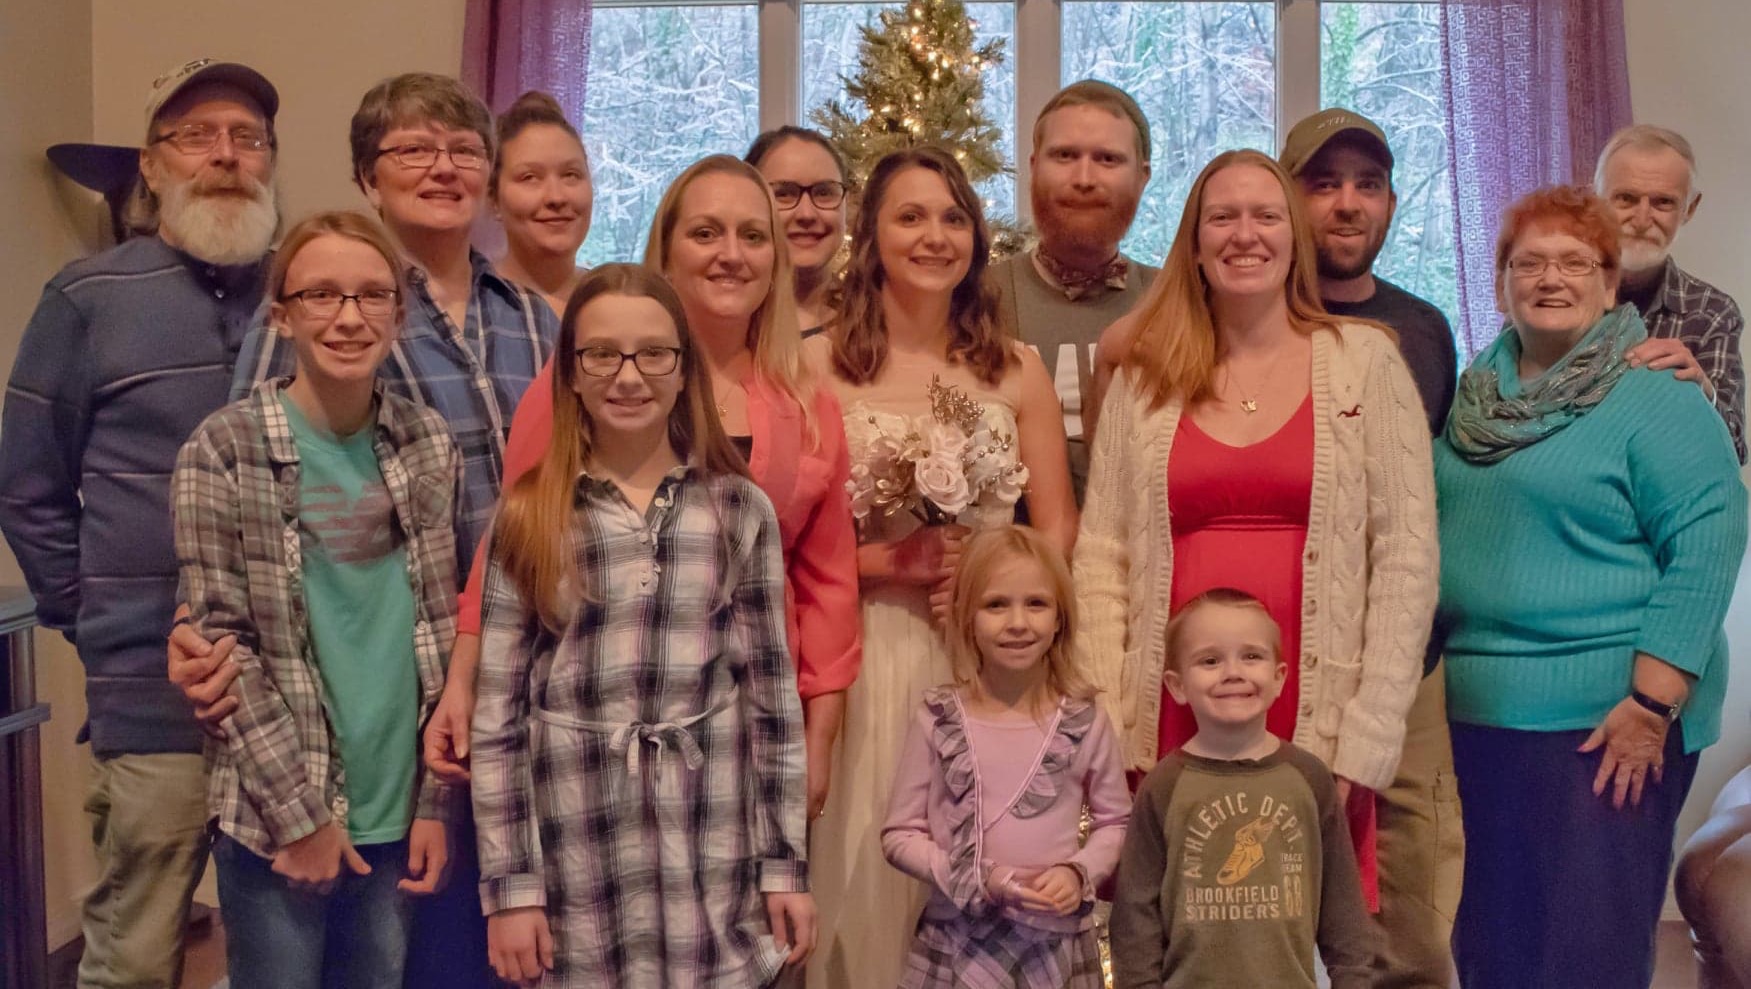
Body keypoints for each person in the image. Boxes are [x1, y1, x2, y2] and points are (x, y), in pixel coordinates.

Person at [176, 71, 558, 988]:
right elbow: (247, 558)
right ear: (367, 175)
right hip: (314, 748)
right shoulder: (293, 346)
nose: (443, 167)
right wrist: (194, 632)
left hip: (483, 707)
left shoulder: (531, 321)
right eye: (414, 149)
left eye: (463, 150)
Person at [427, 154, 860, 824]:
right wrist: (463, 678)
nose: (731, 254)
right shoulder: (590, 376)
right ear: (668, 247)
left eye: (752, 236)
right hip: (592, 716)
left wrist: (820, 737)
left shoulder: (807, 403)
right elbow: (514, 538)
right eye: (706, 233)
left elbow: (827, 585)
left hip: (743, 722)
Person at [1078, 149, 1439, 912]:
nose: (1244, 234)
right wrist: (1107, 718)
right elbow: (1101, 555)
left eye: (1265, 215)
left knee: (1296, 935)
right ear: (1194, 243)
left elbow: (1406, 556)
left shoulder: (1366, 362)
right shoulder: (1144, 374)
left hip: (1319, 706)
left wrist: (1367, 733)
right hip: (1169, 708)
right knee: (1173, 930)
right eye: (1222, 217)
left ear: (1293, 238)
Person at [0, 57, 279, 989]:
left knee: (285, 952)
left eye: (247, 138)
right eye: (196, 136)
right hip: (152, 699)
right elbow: (28, 486)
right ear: (153, 167)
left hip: (299, 698)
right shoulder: (86, 299)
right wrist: (97, 623)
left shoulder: (311, 295)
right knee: (137, 948)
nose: (225, 155)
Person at [1434, 184, 1746, 988]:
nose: (1550, 278)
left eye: (1575, 262)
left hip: (1608, 722)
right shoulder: (1472, 399)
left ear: (1610, 286)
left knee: (1585, 953)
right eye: (1527, 262)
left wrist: (1650, 705)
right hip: (1478, 715)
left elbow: (1709, 540)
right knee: (1491, 947)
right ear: (1499, 282)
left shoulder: (1655, 396)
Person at [472, 263, 814, 987]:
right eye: (601, 354)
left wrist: (783, 865)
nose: (628, 376)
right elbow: (498, 716)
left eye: (653, 353)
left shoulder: (737, 509)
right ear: (570, 372)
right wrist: (511, 888)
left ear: (684, 368)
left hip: (710, 846)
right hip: (579, 850)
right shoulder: (529, 515)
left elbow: (772, 704)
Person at [807, 146, 1075, 989]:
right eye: (910, 216)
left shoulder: (1015, 368)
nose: (934, 236)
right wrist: (889, 561)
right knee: (871, 870)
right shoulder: (814, 366)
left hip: (987, 660)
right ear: (870, 235)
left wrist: (998, 587)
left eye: (953, 217)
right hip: (867, 654)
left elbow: (1055, 526)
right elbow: (784, 541)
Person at [172, 211, 460, 987]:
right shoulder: (222, 448)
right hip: (277, 814)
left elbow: (443, 638)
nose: (348, 316)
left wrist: (436, 805)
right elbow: (224, 647)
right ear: (282, 314)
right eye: (322, 295)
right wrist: (300, 818)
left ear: (398, 315)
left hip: (397, 806)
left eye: (371, 295)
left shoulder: (427, 443)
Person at [1280, 107, 1461, 987]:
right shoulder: (1245, 314)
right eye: (1323, 185)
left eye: (1367, 185)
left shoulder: (1422, 329)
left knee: (1409, 935)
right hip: (1273, 646)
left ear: (1389, 202)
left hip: (1401, 664)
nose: (1347, 204)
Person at [882, 525, 1128, 989]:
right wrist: (979, 876)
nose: (1018, 622)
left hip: (1054, 943)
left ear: (1061, 618)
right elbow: (899, 834)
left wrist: (1078, 872)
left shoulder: (1085, 721)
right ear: (966, 617)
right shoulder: (938, 718)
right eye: (996, 605)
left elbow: (1116, 822)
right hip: (957, 938)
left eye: (1036, 604)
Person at [1110, 589, 1375, 988]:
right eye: (1210, 660)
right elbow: (1135, 915)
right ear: (1177, 685)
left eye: (1251, 656)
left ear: (1279, 677)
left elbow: (1344, 908)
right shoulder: (1163, 786)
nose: (1233, 672)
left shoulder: (1309, 778)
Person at [992, 80, 1155, 502]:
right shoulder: (975, 300)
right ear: (1034, 166)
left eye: (1107, 159)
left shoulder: (1177, 303)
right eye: (1065, 156)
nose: (1084, 178)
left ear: (1143, 177)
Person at [1595, 123, 1746, 462]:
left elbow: (1735, 448)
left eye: (1663, 202)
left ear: (1689, 209)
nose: (1642, 218)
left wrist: (1703, 392)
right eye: (1625, 198)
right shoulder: (1552, 294)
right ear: (1596, 200)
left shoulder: (1712, 312)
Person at [490, 90, 592, 315]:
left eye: (571, 174)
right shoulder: (470, 305)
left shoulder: (616, 300)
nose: (556, 197)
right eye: (530, 177)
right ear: (493, 198)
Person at [746, 126, 848, 333]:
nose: (806, 214)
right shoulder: (722, 326)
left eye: (824, 193)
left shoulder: (877, 323)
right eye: (784, 194)